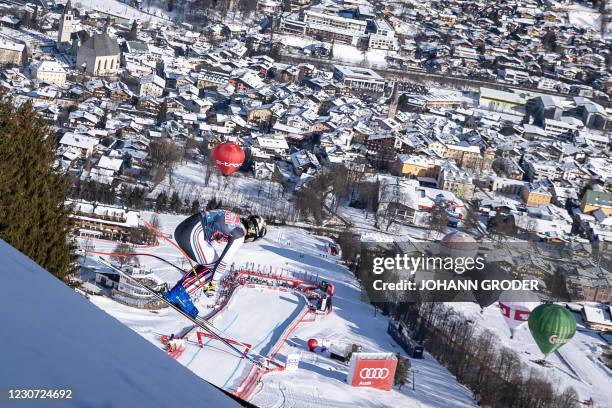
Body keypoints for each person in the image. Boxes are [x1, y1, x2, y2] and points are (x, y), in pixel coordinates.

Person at [162, 210, 267, 317]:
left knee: (211, 263)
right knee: (214, 267)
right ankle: (180, 293)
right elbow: (222, 263)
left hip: (183, 229)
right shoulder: (239, 234)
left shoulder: (234, 221)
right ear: (253, 233)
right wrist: (212, 285)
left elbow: (212, 247)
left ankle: (180, 289)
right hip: (193, 234)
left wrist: (204, 276)